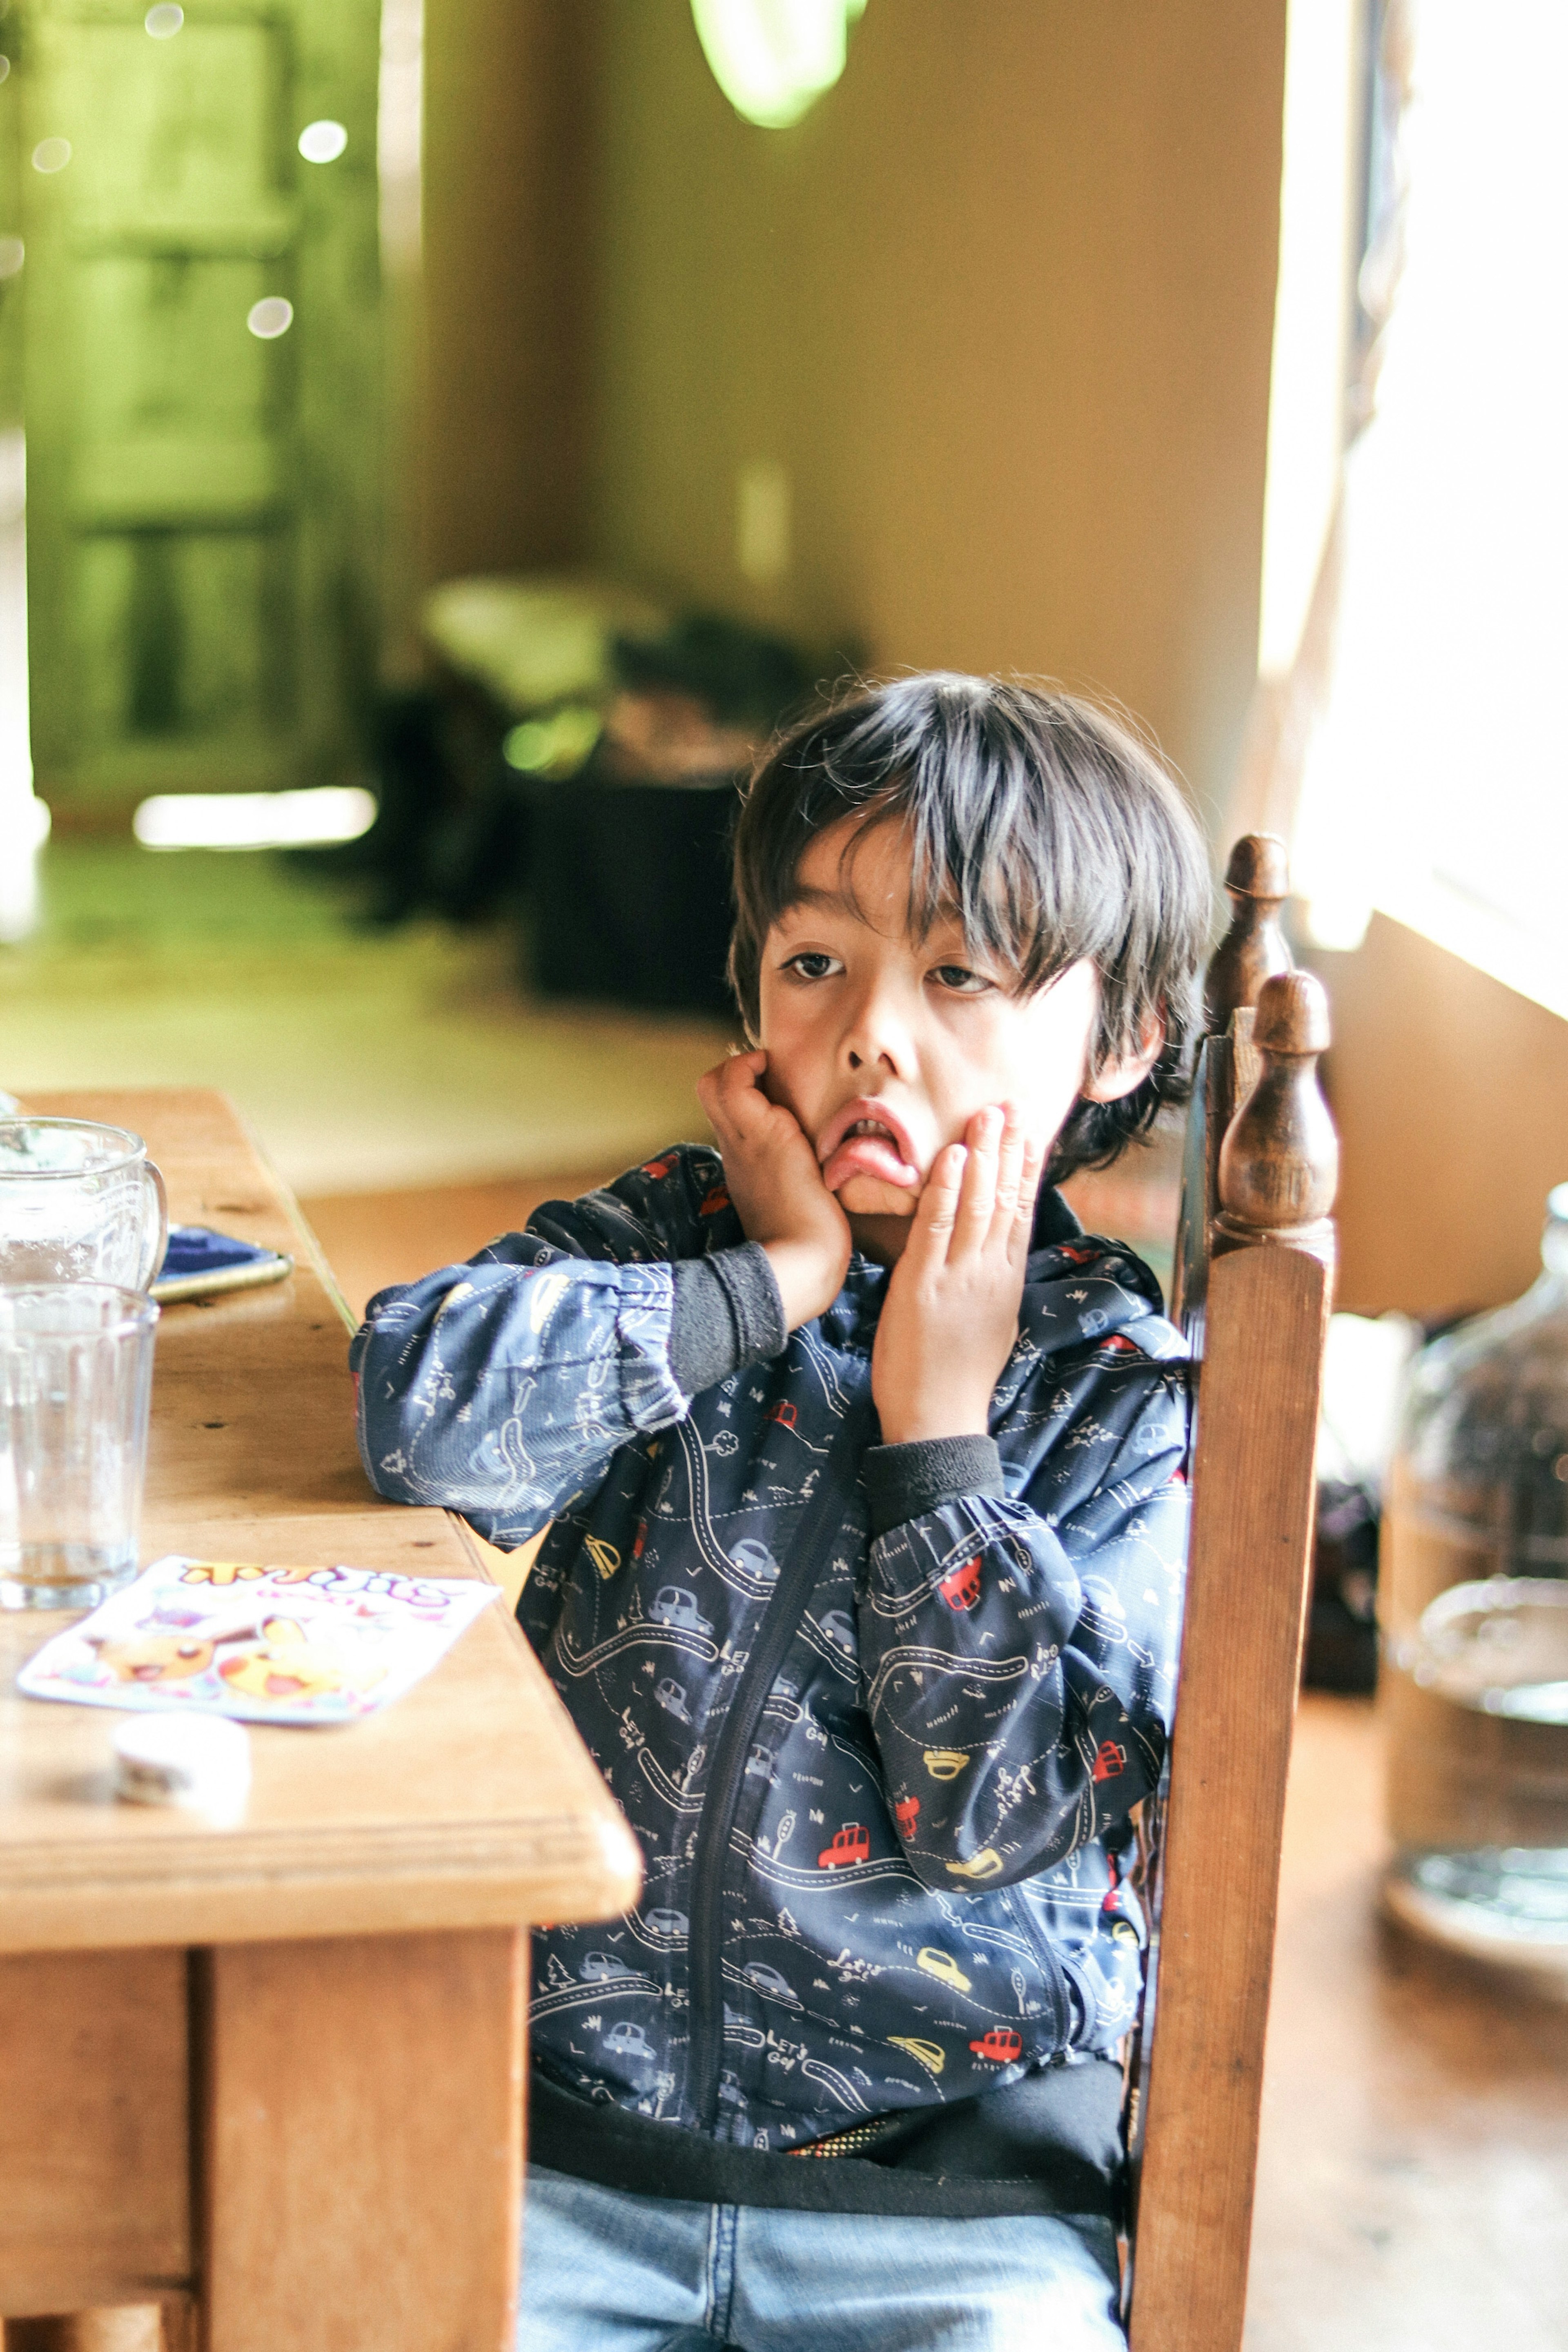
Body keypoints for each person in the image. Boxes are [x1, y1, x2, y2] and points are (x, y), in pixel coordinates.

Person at [351, 674, 1213, 2351]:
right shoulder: (679, 1240)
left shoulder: (1126, 1405)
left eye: (960, 973)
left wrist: (940, 1438)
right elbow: (417, 1414)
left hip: (950, 2209)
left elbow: (999, 1823)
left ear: (1122, 1041)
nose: (873, 1033)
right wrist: (763, 1286)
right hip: (562, 2159)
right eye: (818, 962)